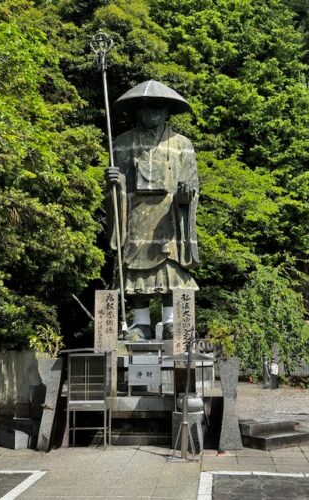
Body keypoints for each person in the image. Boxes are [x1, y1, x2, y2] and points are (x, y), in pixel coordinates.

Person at [105, 80, 199, 340]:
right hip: (136, 214)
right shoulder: (123, 142)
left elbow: (192, 184)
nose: (152, 114)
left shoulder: (181, 144)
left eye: (158, 109)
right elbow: (118, 187)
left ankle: (171, 322)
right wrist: (115, 182)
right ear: (138, 111)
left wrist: (185, 196)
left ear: (167, 112)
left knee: (171, 268)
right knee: (136, 268)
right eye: (146, 109)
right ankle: (141, 323)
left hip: (169, 216)